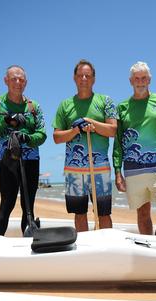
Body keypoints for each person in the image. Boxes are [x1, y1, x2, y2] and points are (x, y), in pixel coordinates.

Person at [113, 61, 156, 235]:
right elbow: (118, 141)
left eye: (144, 78)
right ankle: (147, 248)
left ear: (149, 79)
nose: (140, 81)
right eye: (137, 78)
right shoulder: (122, 107)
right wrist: (117, 171)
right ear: (131, 81)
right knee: (142, 212)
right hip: (132, 170)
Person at [0, 65, 47, 236]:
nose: (18, 82)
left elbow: (42, 134)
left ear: (26, 82)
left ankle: (29, 243)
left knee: (28, 206)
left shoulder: (34, 107)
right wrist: (6, 121)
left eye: (21, 79)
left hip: (31, 159)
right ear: (6, 81)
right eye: (13, 79)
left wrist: (28, 138)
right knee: (7, 203)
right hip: (7, 159)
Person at [53, 59, 117, 231]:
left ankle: (107, 249)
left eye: (87, 76)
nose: (84, 79)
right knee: (79, 213)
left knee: (103, 212)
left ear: (94, 79)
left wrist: (90, 122)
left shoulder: (106, 101)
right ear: (74, 78)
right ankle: (84, 250)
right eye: (80, 75)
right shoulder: (65, 105)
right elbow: (57, 137)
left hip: (100, 168)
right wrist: (75, 130)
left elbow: (112, 130)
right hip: (74, 170)